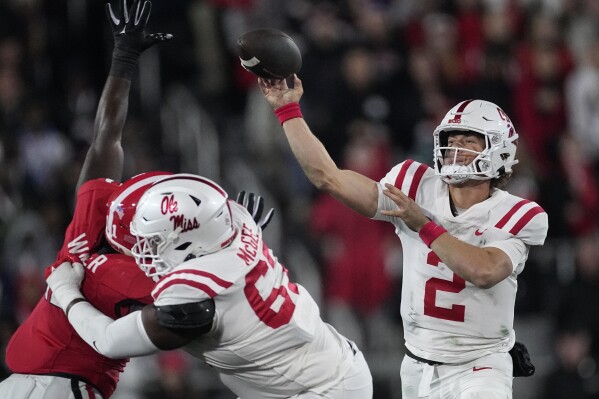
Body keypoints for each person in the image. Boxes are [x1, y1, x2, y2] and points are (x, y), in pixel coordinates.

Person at [257, 76, 548, 398]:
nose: (456, 148)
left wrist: (424, 225)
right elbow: (329, 178)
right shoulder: (416, 185)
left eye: (470, 141)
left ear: (500, 152)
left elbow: (485, 271)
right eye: (453, 138)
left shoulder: (519, 213)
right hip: (417, 365)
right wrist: (288, 111)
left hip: (480, 365)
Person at [46, 173, 374, 399]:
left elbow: (107, 340)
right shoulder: (239, 222)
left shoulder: (190, 296)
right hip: (317, 370)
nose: (143, 249)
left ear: (189, 242)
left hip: (321, 389)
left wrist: (65, 291)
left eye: (155, 241)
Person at [0, 1, 173, 397]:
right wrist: (124, 59)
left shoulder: (154, 275)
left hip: (70, 387)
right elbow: (105, 137)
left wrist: (234, 247)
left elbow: (185, 319)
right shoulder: (95, 224)